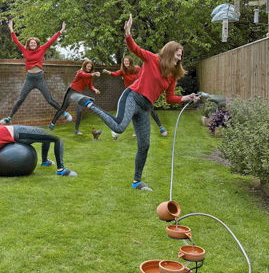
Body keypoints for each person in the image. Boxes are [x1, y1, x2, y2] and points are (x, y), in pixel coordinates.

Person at [73, 15, 199, 192]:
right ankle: (91, 105)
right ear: (170, 53)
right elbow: (134, 48)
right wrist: (127, 32)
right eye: (177, 55)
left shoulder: (172, 75)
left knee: (145, 145)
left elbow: (170, 98)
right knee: (119, 127)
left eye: (180, 57)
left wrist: (187, 97)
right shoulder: (152, 59)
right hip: (132, 96)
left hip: (145, 107)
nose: (179, 59)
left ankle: (137, 182)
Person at [0, 20, 72, 125]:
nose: (32, 44)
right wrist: (11, 29)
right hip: (29, 78)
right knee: (20, 99)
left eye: (34, 43)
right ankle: (9, 118)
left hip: (39, 79)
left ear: (37, 44)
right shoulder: (25, 51)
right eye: (30, 43)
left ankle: (64, 113)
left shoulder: (42, 49)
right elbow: (16, 41)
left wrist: (61, 30)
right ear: (28, 44)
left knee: (50, 100)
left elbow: (51, 41)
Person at [103, 56, 168, 138]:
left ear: (130, 61)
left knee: (151, 109)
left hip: (141, 91)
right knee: (133, 112)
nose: (126, 62)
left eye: (127, 61)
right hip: (131, 94)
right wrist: (107, 72)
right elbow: (115, 74)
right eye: (124, 61)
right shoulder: (123, 71)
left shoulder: (136, 68)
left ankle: (160, 127)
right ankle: (136, 131)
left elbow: (143, 75)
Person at [49, 59, 100, 135]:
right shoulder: (80, 72)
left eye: (90, 67)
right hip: (71, 92)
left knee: (79, 111)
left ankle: (76, 130)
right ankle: (52, 123)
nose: (89, 68)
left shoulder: (90, 76)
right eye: (88, 66)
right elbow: (84, 75)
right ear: (85, 66)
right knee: (63, 108)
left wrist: (95, 89)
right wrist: (94, 74)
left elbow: (90, 85)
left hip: (79, 94)